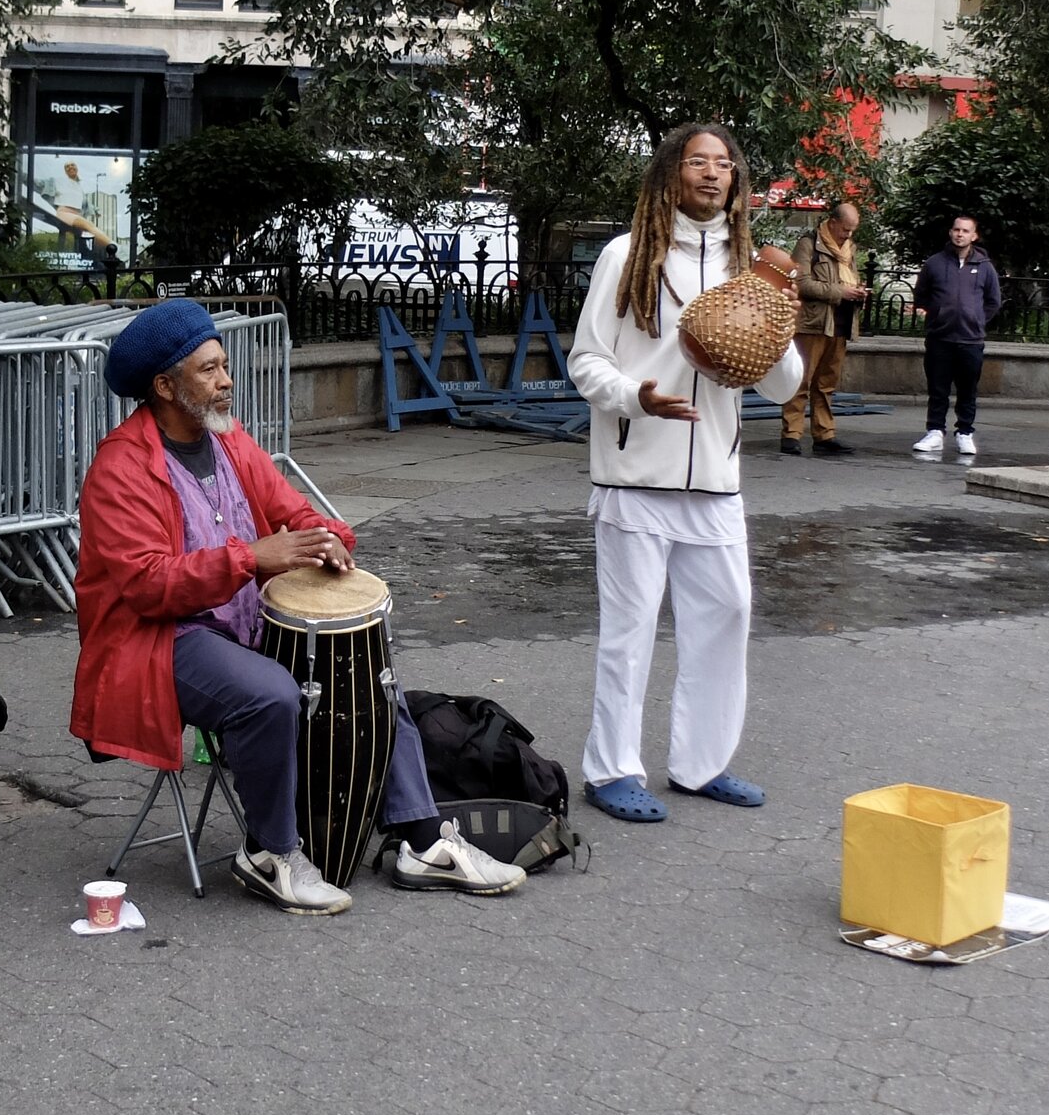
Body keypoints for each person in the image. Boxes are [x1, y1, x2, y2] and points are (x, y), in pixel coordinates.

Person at [70, 299, 526, 913]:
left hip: (241, 622)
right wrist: (250, 559)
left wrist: (326, 539)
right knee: (271, 692)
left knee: (365, 676)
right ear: (163, 386)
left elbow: (293, 511)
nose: (226, 381)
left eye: (224, 365)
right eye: (209, 370)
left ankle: (421, 840)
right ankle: (269, 852)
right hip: (158, 639)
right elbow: (147, 585)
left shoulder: (230, 443)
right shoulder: (120, 467)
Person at [567, 124, 803, 824]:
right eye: (697, 160)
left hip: (717, 483)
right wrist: (635, 396)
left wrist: (779, 318)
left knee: (727, 617)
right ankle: (611, 769)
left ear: (735, 180)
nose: (711, 172)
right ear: (672, 172)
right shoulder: (627, 255)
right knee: (630, 629)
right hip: (635, 474)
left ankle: (701, 764)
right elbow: (586, 361)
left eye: (723, 163)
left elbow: (783, 389)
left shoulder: (749, 266)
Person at [781, 199, 869, 457]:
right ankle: (791, 434)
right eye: (845, 229)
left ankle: (825, 434)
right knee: (802, 380)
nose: (848, 235)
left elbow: (849, 278)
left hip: (840, 322)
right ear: (832, 223)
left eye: (852, 230)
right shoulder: (809, 244)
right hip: (812, 323)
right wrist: (840, 291)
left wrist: (858, 292)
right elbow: (802, 284)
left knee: (827, 383)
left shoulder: (848, 249)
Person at [911, 215, 1001, 458]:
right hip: (940, 337)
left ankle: (965, 433)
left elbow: (993, 301)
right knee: (937, 388)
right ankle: (934, 432)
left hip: (970, 340)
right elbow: (921, 294)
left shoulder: (984, 267)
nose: (960, 234)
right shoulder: (934, 263)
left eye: (965, 231)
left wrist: (977, 320)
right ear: (950, 233)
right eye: (956, 229)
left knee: (967, 389)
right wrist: (934, 315)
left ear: (974, 236)